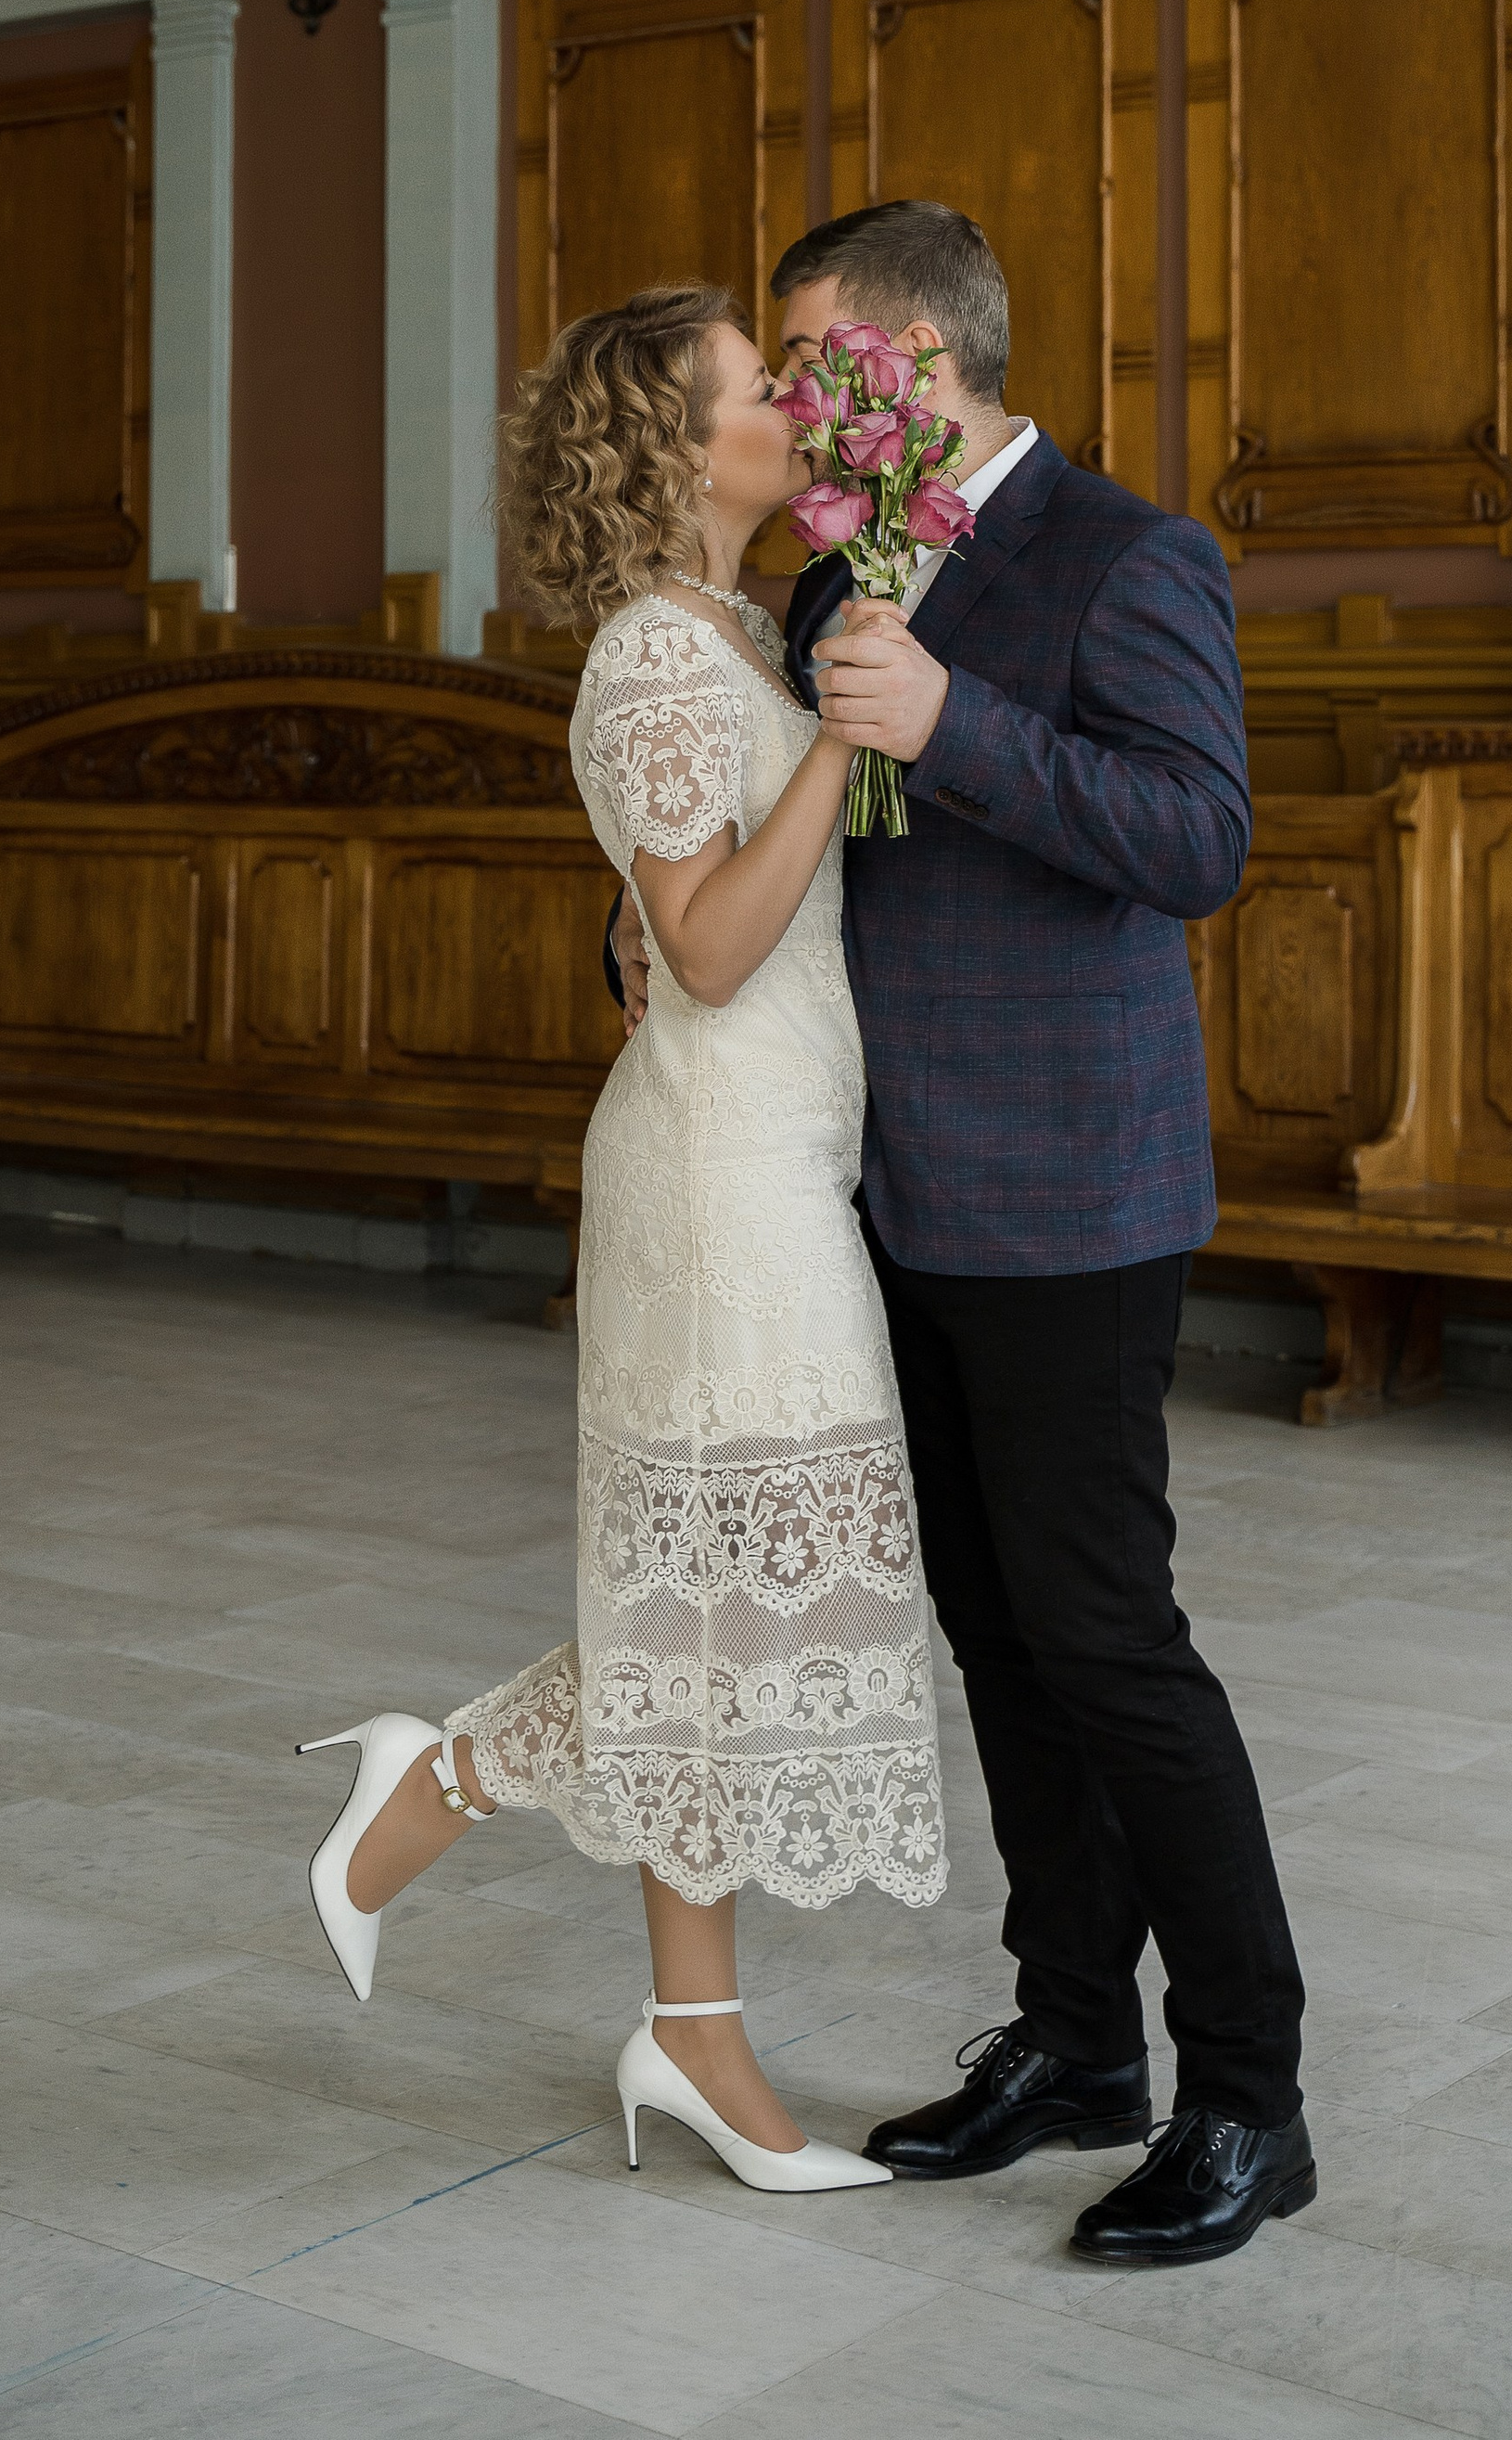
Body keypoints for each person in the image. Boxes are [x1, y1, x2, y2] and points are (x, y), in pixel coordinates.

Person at [614, 201, 1310, 2268]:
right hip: (882, 1192)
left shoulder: (1124, 552)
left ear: (912, 361)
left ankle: (1251, 2099)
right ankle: (1077, 2043)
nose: (798, 406)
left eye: (811, 360)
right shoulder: (832, 566)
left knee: (1106, 1635)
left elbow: (1198, 842)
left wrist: (956, 724)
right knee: (993, 1638)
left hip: (1073, 1193)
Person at [300, 281, 945, 2197]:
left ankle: (676, 2029)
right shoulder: (662, 662)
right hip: (715, 1177)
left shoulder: (734, 629)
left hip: (777, 1152)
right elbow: (710, 946)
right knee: (724, 1599)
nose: (793, 416)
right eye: (761, 391)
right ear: (676, 444)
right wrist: (839, 745)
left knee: (731, 1605)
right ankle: (436, 1809)